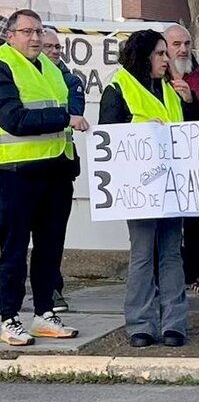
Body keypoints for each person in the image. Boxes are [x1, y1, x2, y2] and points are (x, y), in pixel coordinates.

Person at [100, 29, 198, 348]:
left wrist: (189, 103)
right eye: (160, 54)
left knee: (171, 255)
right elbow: (108, 139)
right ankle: (140, 324)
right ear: (144, 56)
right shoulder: (119, 88)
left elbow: (189, 138)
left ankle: (174, 324)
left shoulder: (171, 90)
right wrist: (141, 131)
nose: (166, 59)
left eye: (165, 54)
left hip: (170, 187)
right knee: (142, 255)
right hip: (139, 189)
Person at [0, 9, 86, 347]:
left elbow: (73, 95)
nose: (35, 38)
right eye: (26, 32)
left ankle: (44, 313)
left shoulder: (49, 67)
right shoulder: (4, 65)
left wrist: (69, 114)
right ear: (9, 35)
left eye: (38, 31)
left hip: (55, 170)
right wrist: (65, 117)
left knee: (50, 249)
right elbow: (14, 119)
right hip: (16, 173)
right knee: (13, 250)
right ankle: (8, 316)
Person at [164, 24, 199, 301]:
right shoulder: (154, 76)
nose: (183, 49)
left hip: (194, 161)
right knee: (163, 224)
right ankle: (167, 276)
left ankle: (197, 274)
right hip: (160, 162)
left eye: (186, 43)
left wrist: (190, 100)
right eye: (176, 44)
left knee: (193, 222)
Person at [39, 27, 84, 315]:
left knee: (52, 236)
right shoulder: (18, 74)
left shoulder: (69, 80)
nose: (55, 52)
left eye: (57, 47)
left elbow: (75, 112)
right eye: (48, 47)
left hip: (59, 167)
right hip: (21, 168)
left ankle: (52, 289)